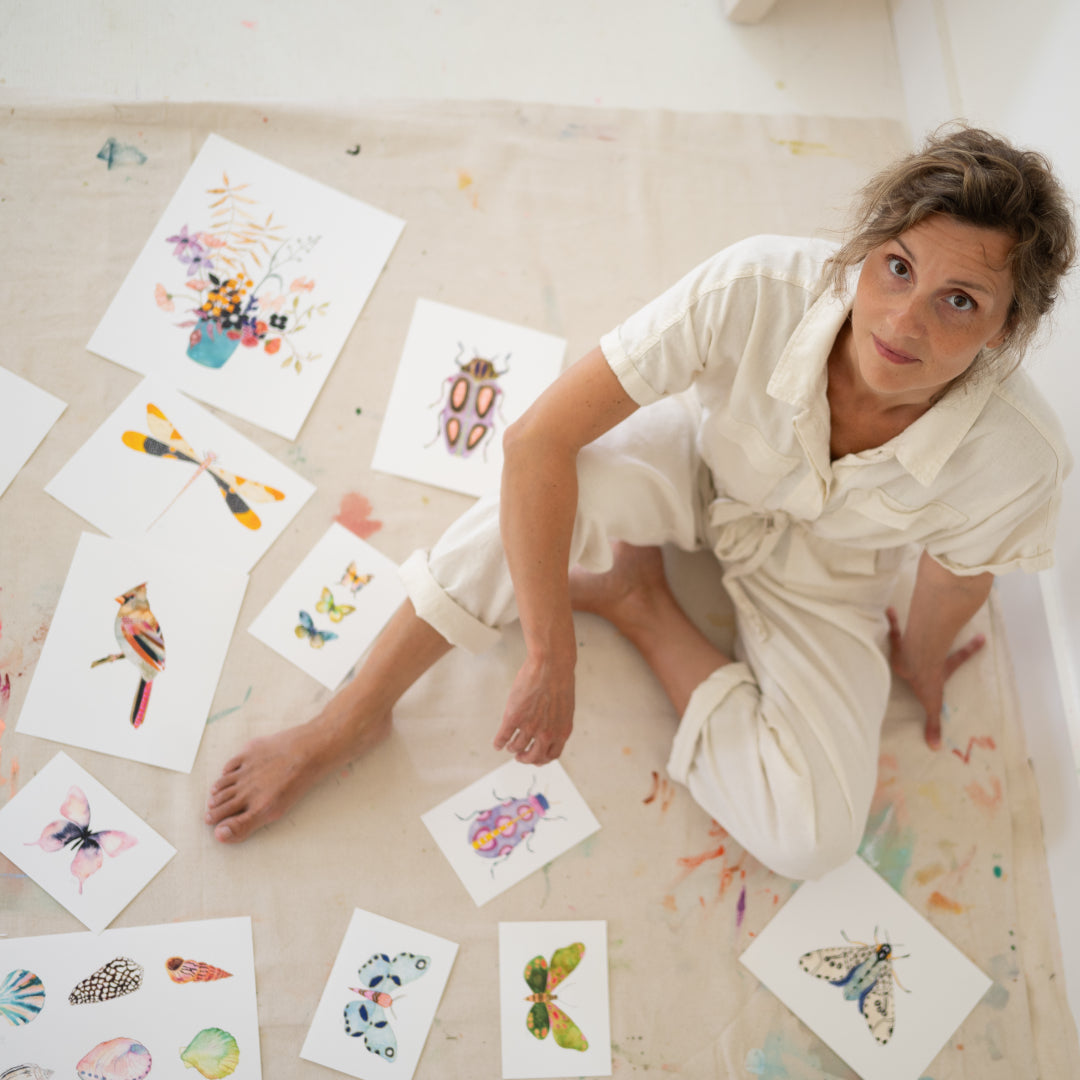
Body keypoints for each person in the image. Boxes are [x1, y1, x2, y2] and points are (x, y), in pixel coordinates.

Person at [206, 125, 1075, 879]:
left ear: (1005, 329)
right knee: (561, 488)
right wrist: (550, 656)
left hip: (830, 577)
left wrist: (920, 656)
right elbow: (537, 441)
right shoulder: (756, 286)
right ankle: (347, 721)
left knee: (814, 840)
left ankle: (643, 603)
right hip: (700, 468)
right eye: (896, 268)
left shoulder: (1022, 462)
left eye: (959, 301)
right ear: (865, 249)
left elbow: (958, 578)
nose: (903, 322)